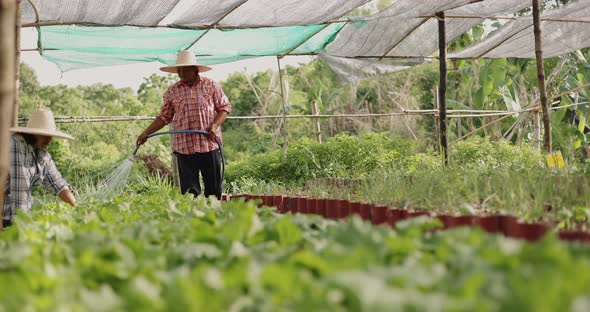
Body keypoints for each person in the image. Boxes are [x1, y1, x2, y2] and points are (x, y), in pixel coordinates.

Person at [137, 50, 232, 199]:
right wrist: (145, 133)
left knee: (213, 191)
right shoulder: (172, 91)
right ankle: (191, 219)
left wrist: (214, 126)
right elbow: (164, 117)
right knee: (189, 193)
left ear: (195, 69)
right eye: (179, 70)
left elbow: (224, 108)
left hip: (208, 144)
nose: (181, 73)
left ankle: (214, 218)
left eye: (185, 69)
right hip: (184, 148)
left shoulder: (210, 85)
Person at [3, 109, 76, 228]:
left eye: (50, 135)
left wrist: (78, 209)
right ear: (32, 133)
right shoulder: (16, 144)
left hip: (17, 217)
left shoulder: (42, 154)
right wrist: (22, 228)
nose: (49, 139)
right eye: (44, 134)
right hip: (5, 217)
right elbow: (20, 191)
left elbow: (58, 183)